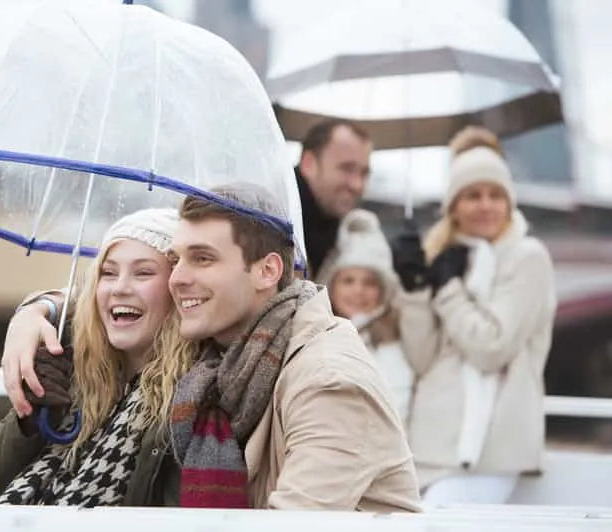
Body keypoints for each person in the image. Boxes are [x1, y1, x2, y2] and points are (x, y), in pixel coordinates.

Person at [164, 183, 419, 510]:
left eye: (202, 258)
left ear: (267, 271)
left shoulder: (328, 381)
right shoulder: (213, 372)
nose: (176, 278)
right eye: (176, 260)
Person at [0, 208, 196, 506]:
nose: (120, 288)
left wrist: (40, 307)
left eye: (143, 273)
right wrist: (31, 420)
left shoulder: (189, 395)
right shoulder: (73, 368)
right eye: (108, 273)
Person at [390, 126, 557, 504]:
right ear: (454, 207)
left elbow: (492, 347)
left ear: (509, 203)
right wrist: (415, 289)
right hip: (431, 442)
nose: (485, 205)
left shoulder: (527, 257)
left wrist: (449, 290)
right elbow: (422, 359)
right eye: (473, 195)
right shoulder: (446, 258)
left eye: (496, 195)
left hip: (491, 451)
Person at [317, 209, 414, 427]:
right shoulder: (316, 334)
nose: (358, 291)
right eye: (348, 281)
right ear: (331, 286)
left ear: (384, 290)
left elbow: (396, 405)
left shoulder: (389, 341)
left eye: (369, 283)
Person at [295, 119, 373, 278]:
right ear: (309, 164)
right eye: (346, 168)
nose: (357, 184)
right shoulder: (265, 227)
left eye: (364, 173)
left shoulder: (351, 236)